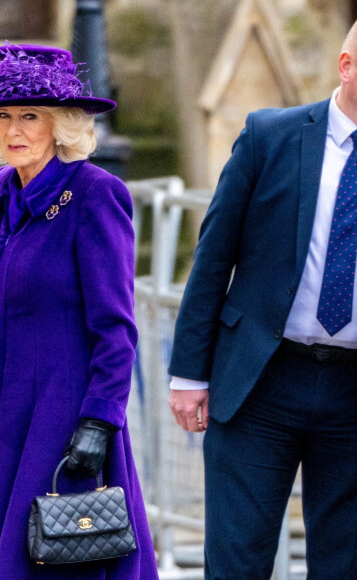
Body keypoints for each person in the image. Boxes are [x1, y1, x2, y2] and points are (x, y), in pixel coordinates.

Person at [0, 43, 159, 580]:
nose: (12, 130)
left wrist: (99, 419)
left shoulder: (95, 194)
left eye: (30, 116)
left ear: (62, 124)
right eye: (3, 115)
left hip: (55, 415)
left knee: (45, 558)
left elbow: (117, 327)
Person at [168, 22, 357, 579]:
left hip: (353, 394)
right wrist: (188, 373)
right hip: (260, 381)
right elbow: (214, 257)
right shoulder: (269, 136)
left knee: (344, 563)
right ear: (346, 66)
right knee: (236, 559)